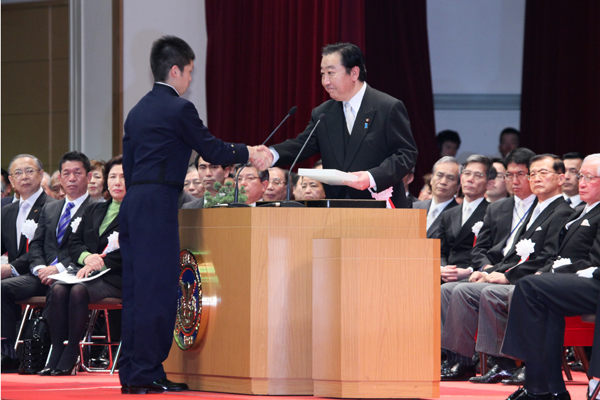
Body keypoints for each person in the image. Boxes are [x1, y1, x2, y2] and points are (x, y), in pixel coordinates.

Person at [119, 35, 269, 394]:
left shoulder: (137, 110)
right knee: (159, 289)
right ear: (175, 70)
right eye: (189, 71)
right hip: (157, 203)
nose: (190, 78)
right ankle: (148, 372)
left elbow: (127, 162)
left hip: (134, 201)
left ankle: (132, 372)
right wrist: (248, 151)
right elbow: (211, 148)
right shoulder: (178, 108)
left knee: (137, 290)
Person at [440, 154, 574, 382]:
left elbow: (548, 257)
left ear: (561, 179)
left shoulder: (562, 212)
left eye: (544, 173)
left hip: (535, 280)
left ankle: (504, 361)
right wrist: (490, 271)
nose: (537, 178)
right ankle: (458, 359)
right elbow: (514, 255)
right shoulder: (537, 210)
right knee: (451, 289)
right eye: (533, 174)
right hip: (516, 274)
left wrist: (507, 276)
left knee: (487, 292)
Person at [267, 42, 418, 208]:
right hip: (337, 209)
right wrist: (270, 154)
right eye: (322, 74)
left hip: (379, 207)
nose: (325, 81)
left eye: (331, 73)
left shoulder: (387, 107)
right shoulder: (323, 113)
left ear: (354, 73)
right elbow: (302, 145)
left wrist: (371, 177)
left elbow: (406, 154)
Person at [501, 153, 600, 400]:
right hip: (575, 279)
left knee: (530, 286)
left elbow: (594, 262)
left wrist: (560, 270)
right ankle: (545, 387)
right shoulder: (581, 210)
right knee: (540, 296)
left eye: (590, 177)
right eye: (581, 176)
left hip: (592, 281)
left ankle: (527, 372)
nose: (582, 183)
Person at [38, 155, 124, 376]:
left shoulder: (137, 213)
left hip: (116, 277)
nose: (117, 182)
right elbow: (74, 243)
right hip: (86, 272)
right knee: (57, 288)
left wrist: (100, 262)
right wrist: (87, 258)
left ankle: (72, 352)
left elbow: (133, 249)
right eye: (112, 176)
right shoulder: (95, 210)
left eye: (123, 177)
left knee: (77, 290)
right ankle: (57, 348)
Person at [1, 154, 56, 370]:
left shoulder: (53, 207)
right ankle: (9, 349)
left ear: (41, 175)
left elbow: (43, 249)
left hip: (41, 275)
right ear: (11, 181)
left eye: (29, 171)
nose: (24, 177)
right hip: (17, 278)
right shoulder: (7, 211)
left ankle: (8, 352)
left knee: (2, 288)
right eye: (18, 173)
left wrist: (12, 268)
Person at [438, 155, 494, 284]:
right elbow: (440, 250)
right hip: (446, 274)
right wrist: (442, 269)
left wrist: (470, 270)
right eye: (466, 173)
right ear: (461, 178)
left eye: (478, 175)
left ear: (489, 183)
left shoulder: (493, 212)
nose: (470, 179)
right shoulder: (448, 214)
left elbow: (490, 251)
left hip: (474, 276)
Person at [414, 157, 461, 238]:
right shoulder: (415, 207)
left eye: (450, 178)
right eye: (439, 175)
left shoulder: (460, 215)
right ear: (431, 179)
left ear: (458, 186)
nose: (443, 182)